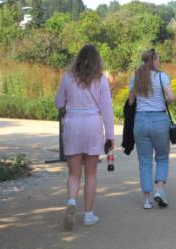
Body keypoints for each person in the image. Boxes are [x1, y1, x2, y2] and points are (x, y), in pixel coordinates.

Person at [55, 44, 115, 231]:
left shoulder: (67, 78)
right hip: (92, 126)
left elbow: (58, 103)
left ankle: (72, 201)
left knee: (74, 174)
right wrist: (110, 137)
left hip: (72, 124)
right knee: (91, 174)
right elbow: (107, 110)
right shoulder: (101, 80)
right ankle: (88, 215)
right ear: (97, 61)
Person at [129, 49, 175, 209]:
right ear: (153, 61)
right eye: (158, 60)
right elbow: (171, 97)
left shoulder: (135, 77)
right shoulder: (162, 76)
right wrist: (163, 103)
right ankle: (160, 190)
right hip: (159, 120)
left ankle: (147, 200)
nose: (159, 62)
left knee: (145, 161)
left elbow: (130, 101)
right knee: (162, 157)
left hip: (140, 120)